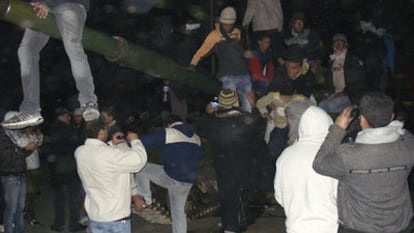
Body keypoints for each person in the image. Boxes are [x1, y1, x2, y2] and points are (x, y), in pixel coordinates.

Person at [313, 92, 414, 233]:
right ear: (392, 117)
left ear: (361, 120)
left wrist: (338, 128)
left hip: (358, 227)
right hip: (399, 225)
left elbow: (319, 164)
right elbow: (402, 131)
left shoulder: (347, 154)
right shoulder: (408, 145)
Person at [1, 0, 99, 130]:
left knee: (72, 44)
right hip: (44, 7)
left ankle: (88, 102)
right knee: (26, 50)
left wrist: (48, 3)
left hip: (69, 4)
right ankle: (31, 109)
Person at [196, 89, 260, 233]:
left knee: (227, 196)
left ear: (219, 104)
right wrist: (253, 107)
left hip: (222, 165)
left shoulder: (213, 122)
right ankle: (238, 222)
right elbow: (256, 127)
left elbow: (200, 128)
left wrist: (208, 113)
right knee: (240, 194)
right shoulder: (244, 119)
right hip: (242, 164)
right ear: (236, 101)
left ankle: (230, 226)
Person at [274, 102, 338, 233]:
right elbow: (340, 195)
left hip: (296, 227)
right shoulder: (333, 155)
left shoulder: (286, 155)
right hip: (328, 227)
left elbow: (279, 196)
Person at [135, 114, 205, 233]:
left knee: (141, 167)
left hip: (172, 175)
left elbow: (145, 141)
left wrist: (132, 139)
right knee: (178, 213)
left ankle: (146, 197)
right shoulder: (196, 138)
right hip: (187, 181)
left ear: (169, 124)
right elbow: (200, 155)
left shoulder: (169, 132)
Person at [75, 119, 147, 233]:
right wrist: (135, 140)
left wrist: (111, 144)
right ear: (101, 132)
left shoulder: (80, 152)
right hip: (116, 218)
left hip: (95, 216)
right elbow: (139, 161)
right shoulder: (111, 155)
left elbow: (100, 157)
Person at [189, 7, 253, 113]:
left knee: (248, 105)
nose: (227, 26)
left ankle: (247, 124)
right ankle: (229, 124)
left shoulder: (237, 32)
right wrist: (193, 64)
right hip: (228, 75)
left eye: (230, 24)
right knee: (230, 106)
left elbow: (240, 52)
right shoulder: (214, 35)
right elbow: (202, 51)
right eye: (225, 24)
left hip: (243, 73)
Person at [47, 107, 84, 232]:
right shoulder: (68, 131)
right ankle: (73, 225)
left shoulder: (52, 130)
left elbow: (50, 154)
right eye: (67, 115)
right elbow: (75, 148)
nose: (70, 118)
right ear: (60, 116)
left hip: (58, 170)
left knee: (59, 199)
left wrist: (51, 172)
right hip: (69, 169)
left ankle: (59, 224)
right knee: (73, 199)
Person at [0, 111, 37, 233]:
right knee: (11, 209)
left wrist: (30, 148)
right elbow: (6, 157)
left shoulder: (16, 135)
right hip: (10, 176)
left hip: (20, 174)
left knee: (20, 208)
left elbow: (21, 155)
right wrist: (23, 148)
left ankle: (20, 230)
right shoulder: (3, 136)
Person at [318, 33, 366, 113]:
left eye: (340, 42)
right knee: (321, 105)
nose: (338, 44)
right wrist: (327, 94)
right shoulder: (332, 61)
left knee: (332, 106)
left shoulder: (352, 60)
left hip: (350, 95)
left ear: (345, 44)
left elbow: (356, 83)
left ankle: (354, 108)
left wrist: (343, 92)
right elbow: (329, 82)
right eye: (336, 42)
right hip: (336, 93)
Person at [13, 125, 43, 226]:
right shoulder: (20, 137)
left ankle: (27, 213)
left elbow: (40, 143)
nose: (30, 129)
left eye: (31, 127)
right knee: (27, 194)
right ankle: (29, 215)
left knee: (32, 194)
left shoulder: (34, 136)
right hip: (25, 168)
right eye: (28, 127)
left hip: (35, 167)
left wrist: (39, 135)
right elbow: (23, 148)